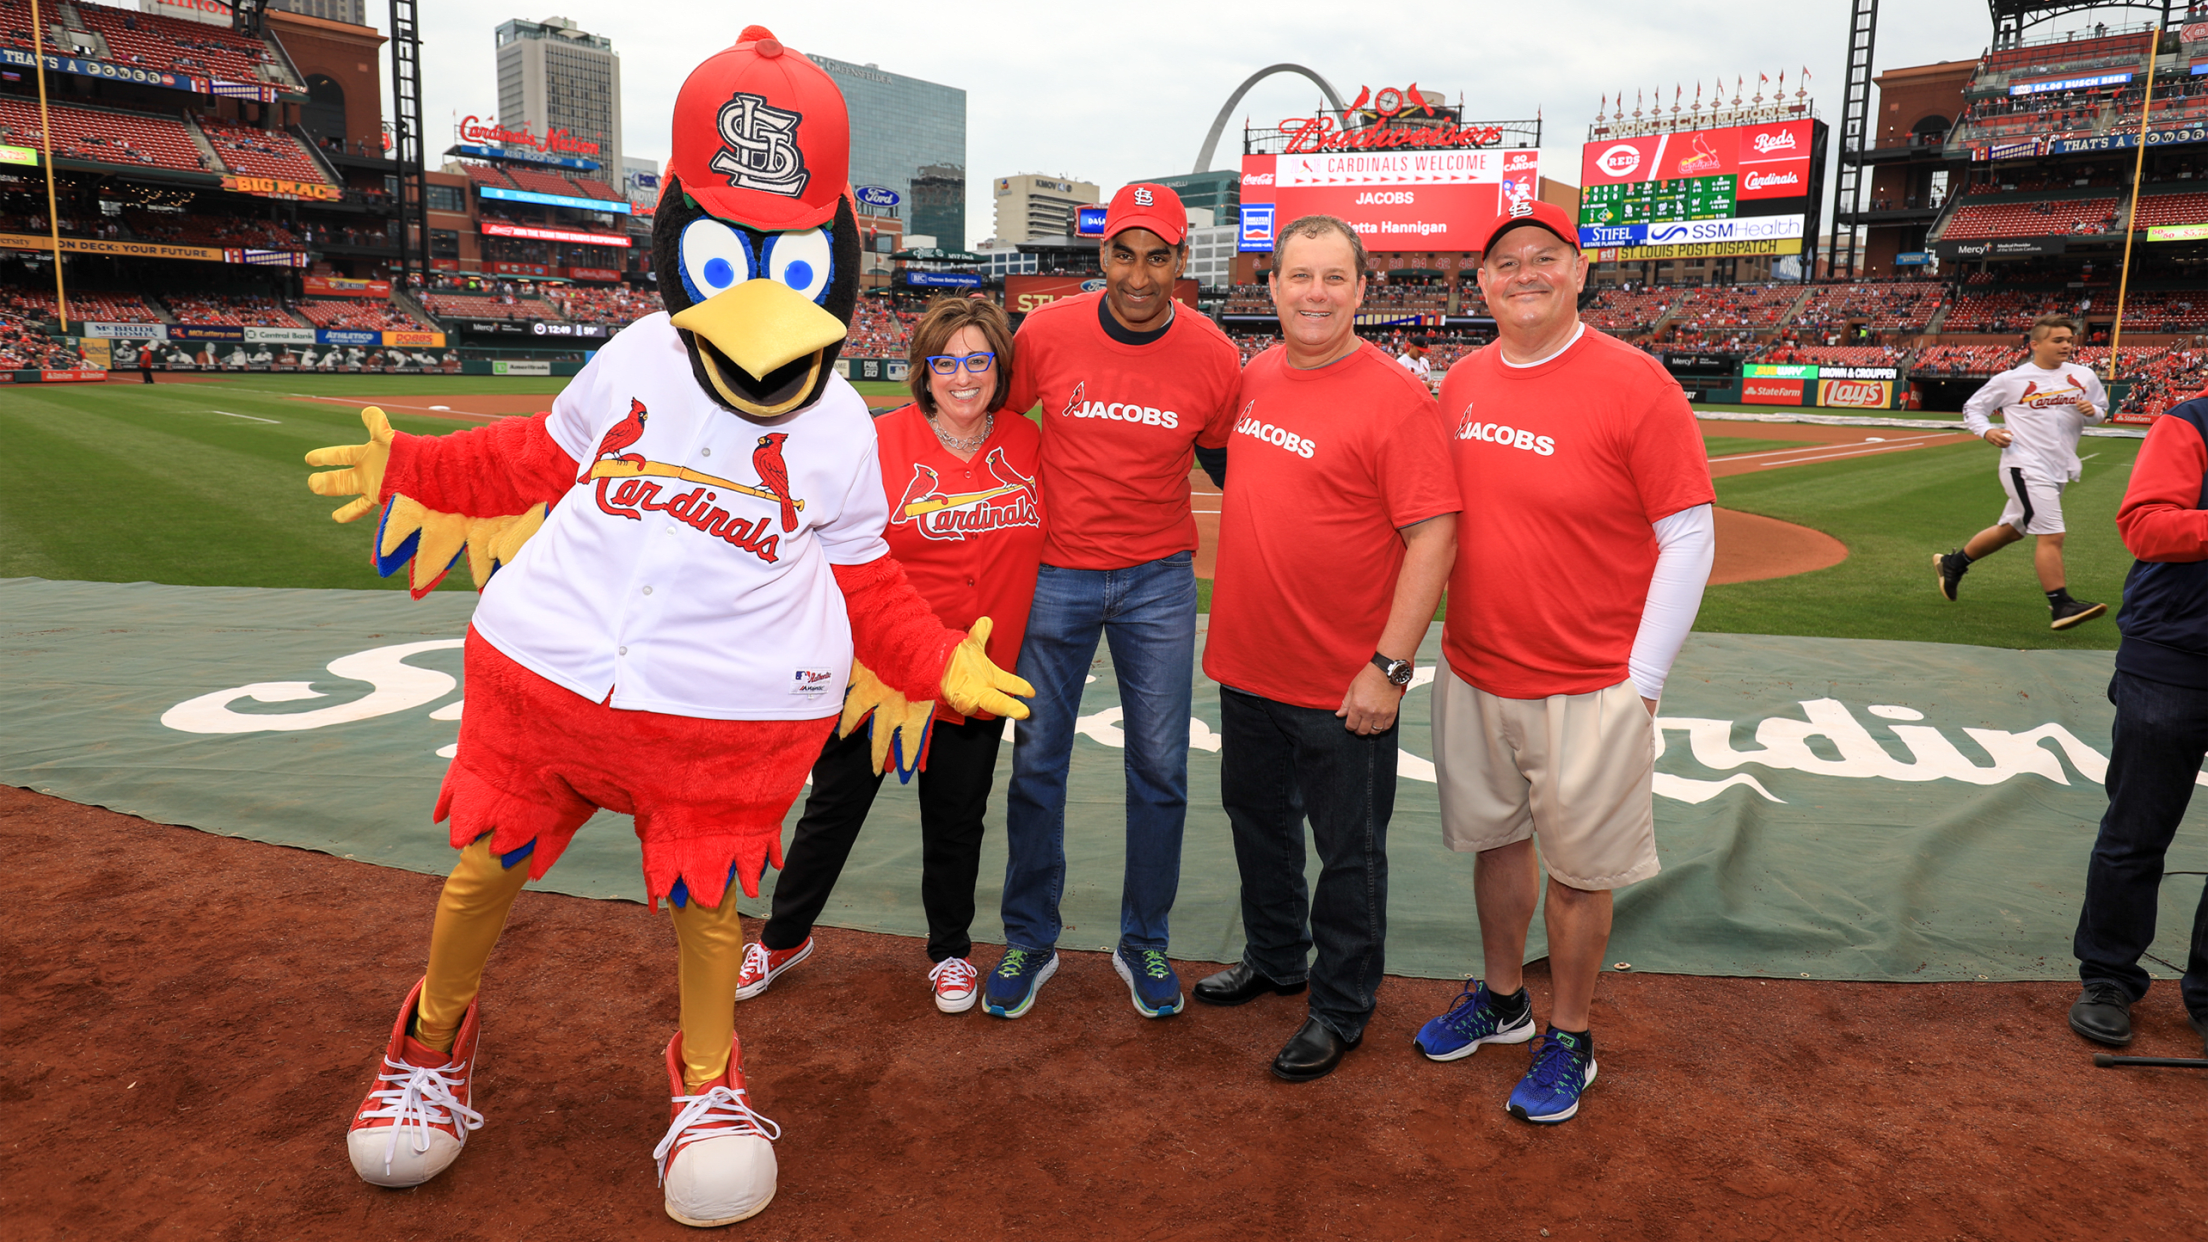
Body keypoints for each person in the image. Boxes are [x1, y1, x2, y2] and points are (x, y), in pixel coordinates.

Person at [1415, 199, 1714, 1125]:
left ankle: (1570, 1033)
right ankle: (1505, 1001)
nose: (1525, 274)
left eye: (1545, 258)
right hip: (1474, 669)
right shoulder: (1461, 381)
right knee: (1498, 844)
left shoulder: (1637, 383)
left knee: (1582, 872)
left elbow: (1690, 533)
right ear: (1484, 284)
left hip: (1589, 681)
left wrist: (1646, 683)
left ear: (1579, 271)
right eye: (1506, 264)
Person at [1196, 214, 1460, 1082]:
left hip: (1344, 682)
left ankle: (1342, 1006)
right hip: (1248, 663)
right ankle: (1277, 957)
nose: (1314, 294)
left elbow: (1434, 537)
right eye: (1298, 276)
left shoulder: (1394, 396)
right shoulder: (1258, 372)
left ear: (1360, 288)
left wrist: (1388, 667)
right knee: (1257, 827)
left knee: (1348, 853)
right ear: (1270, 287)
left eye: (1333, 278)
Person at [736, 297, 1044, 1015]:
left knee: (957, 813)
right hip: (881, 666)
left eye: (978, 360)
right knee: (836, 805)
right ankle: (784, 937)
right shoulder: (879, 443)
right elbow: (828, 550)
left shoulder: (1031, 445)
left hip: (973, 673)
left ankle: (950, 951)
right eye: (945, 362)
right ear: (923, 371)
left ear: (999, 368)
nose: (962, 376)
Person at [985, 182, 1242, 1020]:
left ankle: (1145, 941)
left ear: (1180, 262)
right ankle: (1031, 936)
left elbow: (1227, 467)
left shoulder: (1210, 353)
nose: (1138, 274)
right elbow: (995, 426)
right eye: (1123, 254)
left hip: (1158, 580)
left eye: (1157, 256)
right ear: (1102, 257)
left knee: (1162, 769)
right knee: (1037, 765)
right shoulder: (1048, 330)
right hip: (1055, 571)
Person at [2068, 387, 2208, 1052]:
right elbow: (2147, 526)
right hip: (2172, 656)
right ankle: (2109, 978)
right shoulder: (2192, 422)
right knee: (2136, 830)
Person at [1935, 315, 2110, 629]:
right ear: (2035, 344)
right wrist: (1987, 431)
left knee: (2013, 530)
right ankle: (2061, 604)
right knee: (2052, 534)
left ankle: (1954, 563)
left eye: (2069, 340)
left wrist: (2092, 412)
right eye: (2058, 340)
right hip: (2024, 464)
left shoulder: (2083, 376)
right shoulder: (2012, 379)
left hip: (2059, 466)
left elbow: (2101, 411)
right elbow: (1973, 408)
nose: (2067, 346)